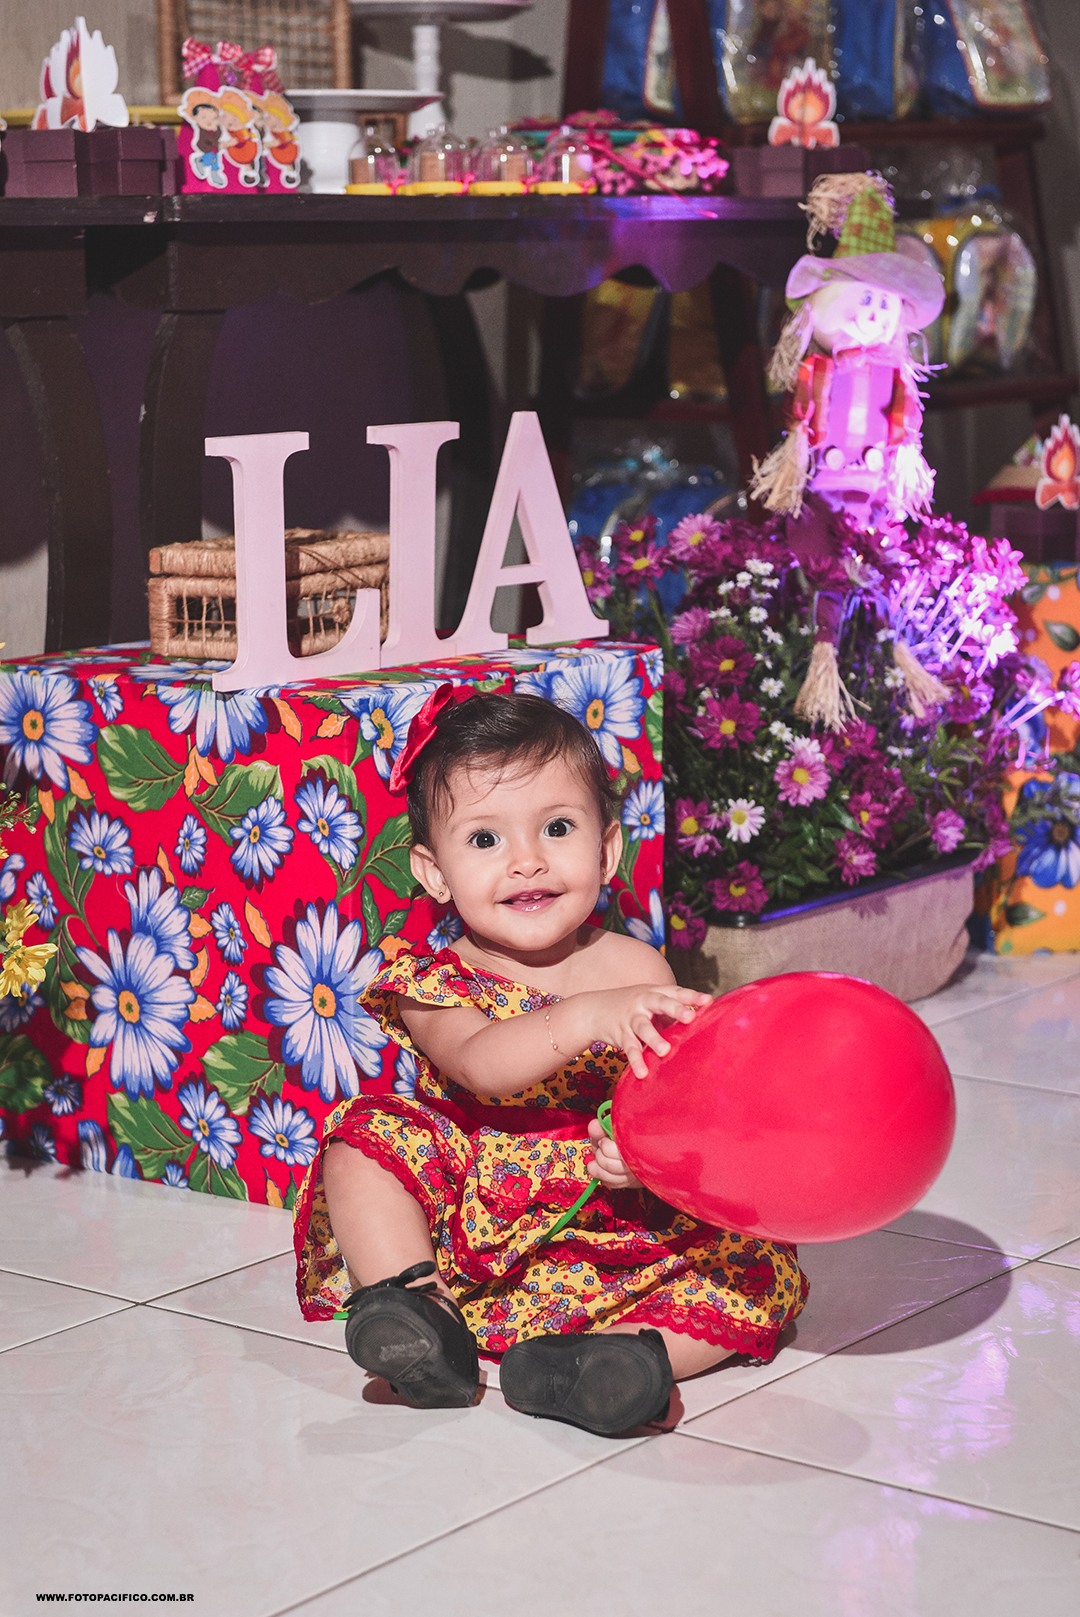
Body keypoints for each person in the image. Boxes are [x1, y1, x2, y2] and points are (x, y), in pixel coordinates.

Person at [293, 684, 808, 1436]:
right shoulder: (434, 982)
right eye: (484, 840)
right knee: (363, 1138)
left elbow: (672, 1098)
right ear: (435, 874)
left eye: (557, 828)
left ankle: (616, 1360)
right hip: (473, 1209)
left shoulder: (636, 966)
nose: (526, 861)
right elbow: (481, 1064)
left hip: (610, 1219)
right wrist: (587, 1015)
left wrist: (648, 1158)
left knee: (759, 1266)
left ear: (606, 849)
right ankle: (420, 1312)